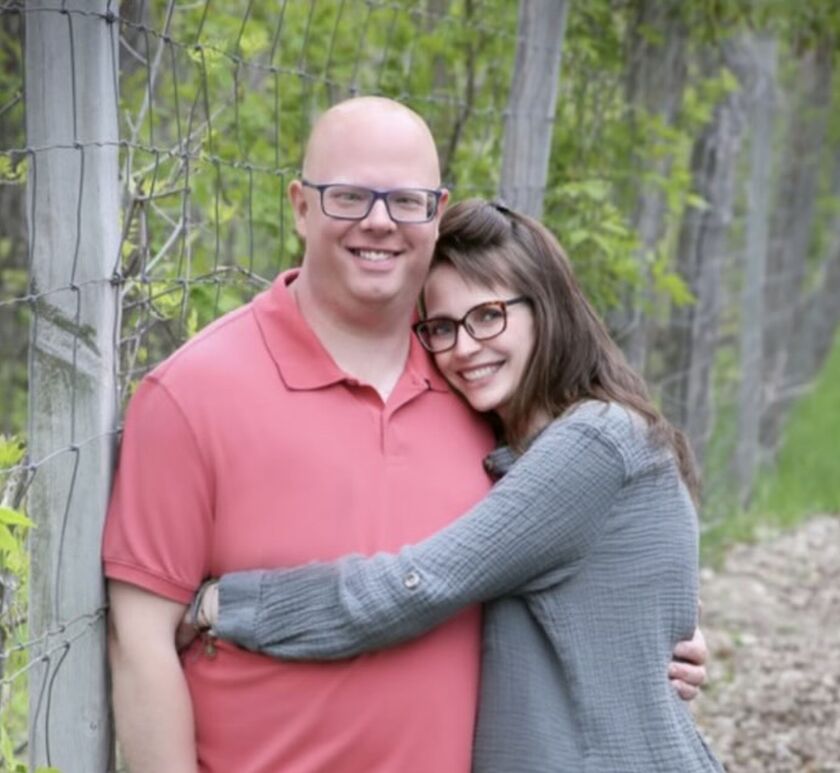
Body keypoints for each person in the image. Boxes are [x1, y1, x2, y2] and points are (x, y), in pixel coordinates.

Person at [102, 97, 706, 773]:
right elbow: (140, 641)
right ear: (300, 205)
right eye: (350, 195)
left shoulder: (480, 396)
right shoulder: (190, 394)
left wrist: (640, 635)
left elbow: (454, 577)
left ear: (435, 212)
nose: (380, 221)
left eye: (406, 200)